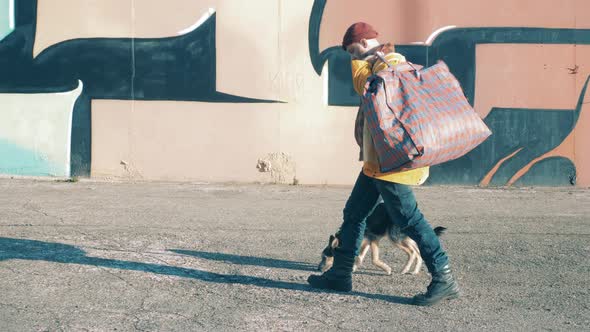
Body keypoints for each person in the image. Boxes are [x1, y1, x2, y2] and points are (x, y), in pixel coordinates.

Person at [307, 22, 460, 306]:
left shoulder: (388, 64)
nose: (352, 57)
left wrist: (359, 63)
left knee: (410, 220)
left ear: (364, 43)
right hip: (377, 161)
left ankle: (444, 279)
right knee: (354, 213)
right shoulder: (380, 64)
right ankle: (340, 274)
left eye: (353, 51)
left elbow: (362, 87)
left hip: (394, 162)